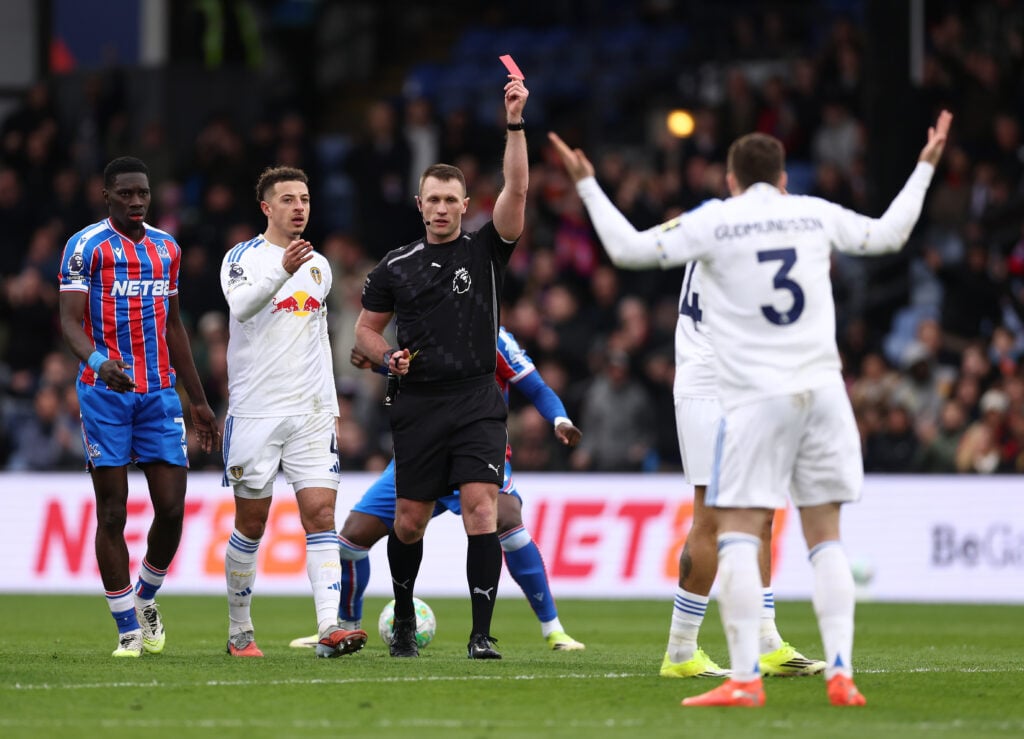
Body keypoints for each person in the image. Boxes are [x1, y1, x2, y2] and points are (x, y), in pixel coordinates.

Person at [549, 109, 952, 707]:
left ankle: (762, 643)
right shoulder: (802, 213)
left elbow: (629, 248)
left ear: (731, 180)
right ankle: (683, 649)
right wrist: (924, 166)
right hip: (720, 382)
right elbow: (888, 235)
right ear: (783, 179)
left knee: (758, 520)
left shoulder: (711, 221)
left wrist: (587, 182)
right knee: (721, 520)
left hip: (754, 384)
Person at [354, 73, 529, 659]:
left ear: (465, 206)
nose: (441, 208)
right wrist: (388, 357)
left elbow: (518, 188)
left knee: (482, 509)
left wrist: (514, 122)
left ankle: (480, 636)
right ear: (419, 204)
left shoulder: (486, 249)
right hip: (419, 403)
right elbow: (365, 332)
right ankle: (404, 618)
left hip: (477, 399)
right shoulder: (395, 266)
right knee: (408, 521)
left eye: (452, 199)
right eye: (433, 199)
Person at [290, 329, 585, 652]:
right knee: (351, 541)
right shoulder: (423, 327)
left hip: (475, 452)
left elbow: (536, 386)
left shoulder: (494, 337)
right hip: (422, 451)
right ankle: (345, 629)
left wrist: (559, 419)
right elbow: (416, 375)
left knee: (509, 523)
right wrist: (379, 363)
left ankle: (554, 629)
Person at [57, 156, 220, 657]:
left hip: (159, 394)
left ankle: (146, 596)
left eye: (143, 193)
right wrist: (99, 362)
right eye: (125, 193)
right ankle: (127, 626)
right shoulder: (85, 247)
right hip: (104, 394)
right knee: (112, 512)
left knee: (171, 509)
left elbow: (174, 327)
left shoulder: (166, 248)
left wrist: (199, 401)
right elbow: (68, 321)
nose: (136, 201)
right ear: (106, 194)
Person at [219, 166, 367, 659]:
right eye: (287, 199)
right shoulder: (242, 258)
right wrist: (282, 269)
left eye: (304, 198)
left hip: (310, 412)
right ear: (267, 207)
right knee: (252, 523)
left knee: (321, 514)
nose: (299, 207)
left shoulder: (320, 266)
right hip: (256, 411)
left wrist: (331, 405)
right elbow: (241, 307)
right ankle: (240, 630)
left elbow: (318, 338)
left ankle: (329, 627)